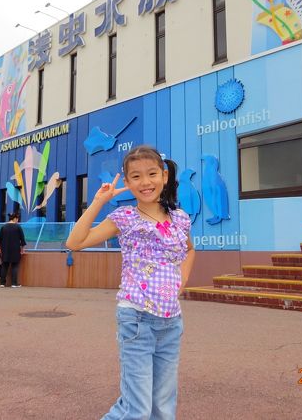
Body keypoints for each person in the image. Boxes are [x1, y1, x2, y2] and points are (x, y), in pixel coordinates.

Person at [66, 145, 195, 420]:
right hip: (136, 319)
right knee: (136, 409)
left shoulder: (180, 219)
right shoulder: (124, 218)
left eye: (151, 174)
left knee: (163, 405)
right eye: (136, 177)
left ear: (164, 176)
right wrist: (100, 201)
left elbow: (190, 250)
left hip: (171, 321)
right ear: (127, 183)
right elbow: (74, 242)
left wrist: (180, 283)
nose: (145, 182)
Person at [0, 212, 27, 288]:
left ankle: (2, 283)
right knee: (15, 265)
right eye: (17, 219)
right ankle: (14, 283)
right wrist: (22, 249)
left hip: (5, 249)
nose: (18, 221)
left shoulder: (3, 227)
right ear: (15, 218)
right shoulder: (18, 227)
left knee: (4, 265)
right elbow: (22, 239)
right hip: (15, 249)